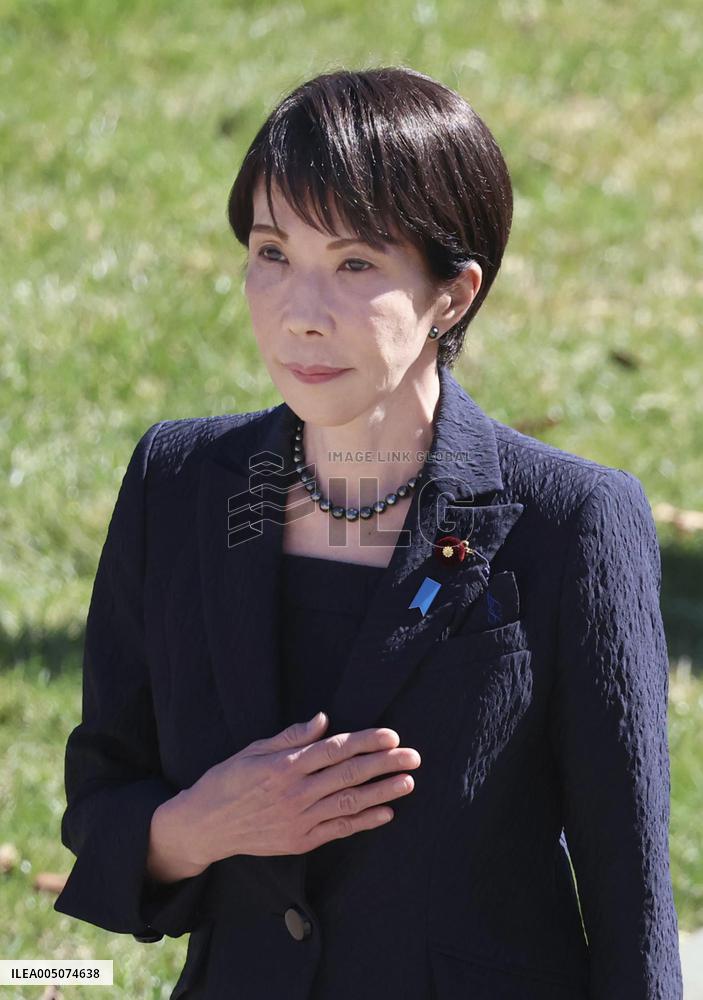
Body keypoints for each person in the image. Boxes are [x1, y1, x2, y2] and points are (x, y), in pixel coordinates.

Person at [54, 66, 683, 999]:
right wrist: (205, 824)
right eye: (272, 253)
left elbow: (631, 907)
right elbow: (104, 800)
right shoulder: (179, 483)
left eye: (354, 264)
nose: (299, 313)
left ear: (452, 294)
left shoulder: (572, 523)